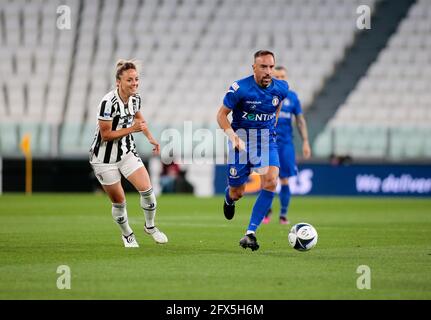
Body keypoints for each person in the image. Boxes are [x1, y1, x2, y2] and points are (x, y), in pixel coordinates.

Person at [89, 60, 168, 248]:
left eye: (136, 79)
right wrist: (132, 129)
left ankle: (150, 227)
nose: (134, 83)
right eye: (130, 80)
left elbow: (139, 119)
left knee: (147, 191)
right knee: (119, 202)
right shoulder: (108, 102)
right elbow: (106, 135)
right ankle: (127, 234)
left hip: (126, 152)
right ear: (119, 82)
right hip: (103, 159)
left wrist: (150, 138)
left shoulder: (135, 98)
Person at [216, 50, 290, 251]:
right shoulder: (240, 88)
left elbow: (277, 104)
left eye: (271, 67)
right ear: (254, 68)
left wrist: (272, 124)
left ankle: (250, 232)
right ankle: (228, 198)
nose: (268, 71)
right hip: (241, 141)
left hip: (266, 141)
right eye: (264, 67)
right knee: (238, 192)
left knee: (271, 181)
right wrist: (234, 138)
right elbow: (221, 116)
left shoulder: (281, 87)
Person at [263, 66, 311, 225]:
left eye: (283, 76)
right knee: (267, 179)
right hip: (269, 142)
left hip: (285, 144)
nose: (281, 79)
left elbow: (300, 120)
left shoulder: (292, 97)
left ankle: (283, 215)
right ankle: (266, 212)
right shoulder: (265, 95)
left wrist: (305, 141)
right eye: (278, 76)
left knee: (284, 180)